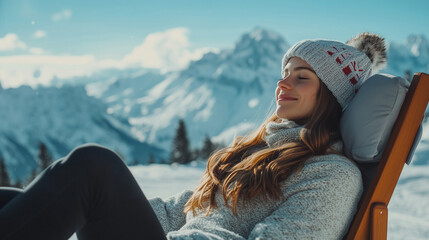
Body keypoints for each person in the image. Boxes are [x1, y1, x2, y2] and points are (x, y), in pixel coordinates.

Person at [0, 32, 387, 240]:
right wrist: (105, 211)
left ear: (332, 98)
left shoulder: (332, 176)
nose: (283, 84)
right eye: (285, 72)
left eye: (301, 77)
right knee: (20, 202)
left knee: (93, 166)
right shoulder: (259, 152)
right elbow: (185, 211)